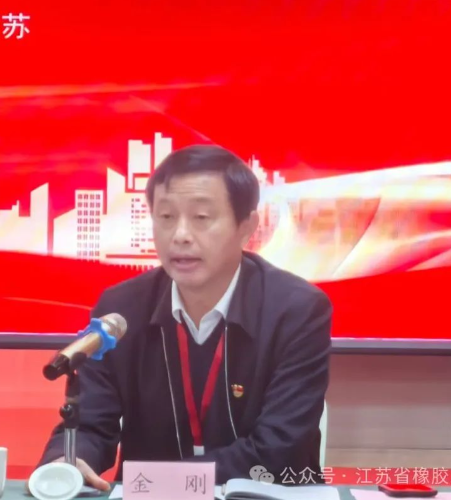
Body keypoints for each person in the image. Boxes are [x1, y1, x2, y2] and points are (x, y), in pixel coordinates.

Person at [34, 144, 333, 489]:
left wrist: (162, 483)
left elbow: (279, 450)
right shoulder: (121, 309)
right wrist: (67, 461)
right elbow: (90, 424)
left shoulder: (296, 310)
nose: (180, 235)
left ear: (247, 226)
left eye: (202, 218)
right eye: (166, 218)